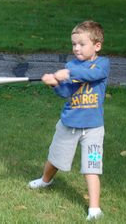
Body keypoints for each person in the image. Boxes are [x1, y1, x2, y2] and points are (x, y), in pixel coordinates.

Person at [28, 21, 110, 221]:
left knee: (92, 167)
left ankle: (94, 209)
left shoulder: (102, 64)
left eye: (82, 44)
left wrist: (69, 73)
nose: (76, 48)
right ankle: (45, 181)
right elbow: (67, 91)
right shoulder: (71, 65)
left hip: (93, 129)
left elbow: (93, 75)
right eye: (74, 44)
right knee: (55, 158)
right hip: (69, 124)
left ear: (97, 45)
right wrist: (55, 83)